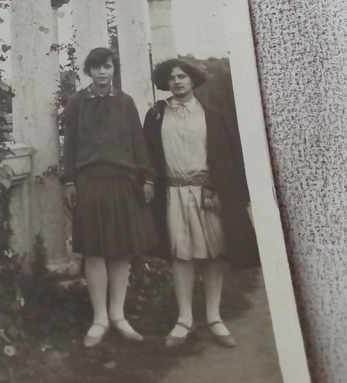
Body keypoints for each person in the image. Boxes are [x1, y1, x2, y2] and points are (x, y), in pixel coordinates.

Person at [143, 58, 259, 349]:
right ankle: (184, 318)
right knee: (180, 254)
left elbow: (229, 155)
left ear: (193, 80)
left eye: (182, 76)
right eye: (172, 78)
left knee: (214, 253)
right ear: (166, 83)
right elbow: (148, 155)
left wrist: (221, 189)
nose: (177, 81)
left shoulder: (213, 115)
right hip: (174, 193)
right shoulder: (156, 115)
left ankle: (214, 317)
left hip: (208, 192)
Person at [62, 46, 155, 347]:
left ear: (114, 69)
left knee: (121, 250)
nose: (103, 72)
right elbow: (70, 145)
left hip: (122, 182)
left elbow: (138, 143)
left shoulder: (125, 103)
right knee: (94, 251)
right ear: (88, 71)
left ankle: (118, 315)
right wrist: (69, 182)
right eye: (97, 67)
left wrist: (146, 178)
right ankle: (99, 318)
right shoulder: (77, 103)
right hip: (89, 183)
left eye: (108, 66)